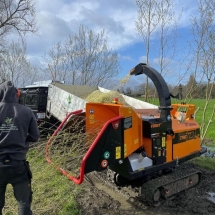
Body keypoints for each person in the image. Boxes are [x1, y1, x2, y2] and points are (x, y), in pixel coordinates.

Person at [0, 81, 40, 215]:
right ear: (16, 94)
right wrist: (21, 138)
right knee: (24, 204)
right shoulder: (27, 111)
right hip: (18, 165)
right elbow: (35, 136)